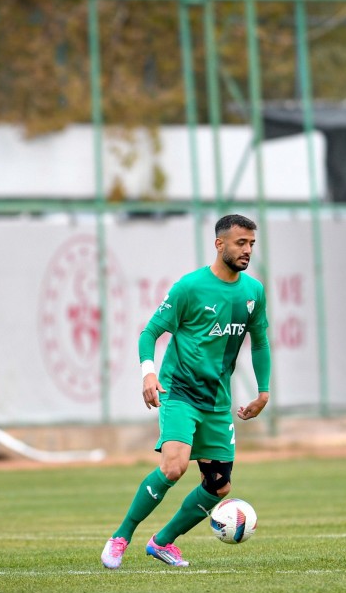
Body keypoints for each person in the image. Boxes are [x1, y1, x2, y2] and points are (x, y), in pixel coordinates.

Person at [101, 213, 271, 569]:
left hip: (217, 401)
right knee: (174, 466)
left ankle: (162, 542)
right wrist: (148, 374)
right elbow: (149, 333)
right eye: (241, 243)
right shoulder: (189, 287)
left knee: (219, 486)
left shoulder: (253, 292)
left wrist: (263, 391)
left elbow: (259, 343)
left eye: (252, 244)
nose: (247, 251)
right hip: (180, 391)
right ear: (219, 244)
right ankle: (121, 536)